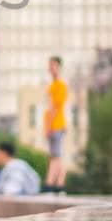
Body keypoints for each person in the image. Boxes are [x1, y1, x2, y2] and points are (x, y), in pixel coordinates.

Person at [44, 55, 70, 190]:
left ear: (59, 67)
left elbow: (55, 106)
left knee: (56, 156)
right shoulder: (53, 85)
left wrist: (49, 126)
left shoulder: (60, 85)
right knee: (55, 156)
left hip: (57, 125)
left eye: (54, 65)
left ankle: (53, 184)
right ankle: (58, 185)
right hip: (55, 124)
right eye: (50, 65)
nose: (51, 68)